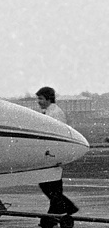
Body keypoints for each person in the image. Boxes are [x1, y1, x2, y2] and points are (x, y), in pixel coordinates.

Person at [34, 86, 78, 220]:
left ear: (48, 98)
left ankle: (56, 213)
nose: (39, 101)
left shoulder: (55, 113)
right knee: (50, 185)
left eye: (41, 98)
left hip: (53, 154)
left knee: (50, 185)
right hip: (50, 153)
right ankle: (66, 208)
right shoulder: (48, 111)